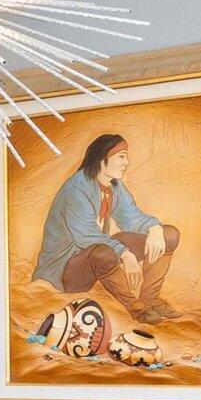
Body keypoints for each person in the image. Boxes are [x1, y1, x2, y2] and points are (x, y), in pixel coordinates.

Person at [32, 133, 180, 321]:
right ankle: (136, 308)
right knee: (104, 252)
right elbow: (86, 237)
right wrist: (125, 254)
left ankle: (150, 300)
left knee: (169, 234)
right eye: (121, 156)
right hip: (64, 271)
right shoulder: (76, 189)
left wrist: (155, 229)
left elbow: (130, 217)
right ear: (102, 159)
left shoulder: (114, 186)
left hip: (96, 255)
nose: (127, 162)